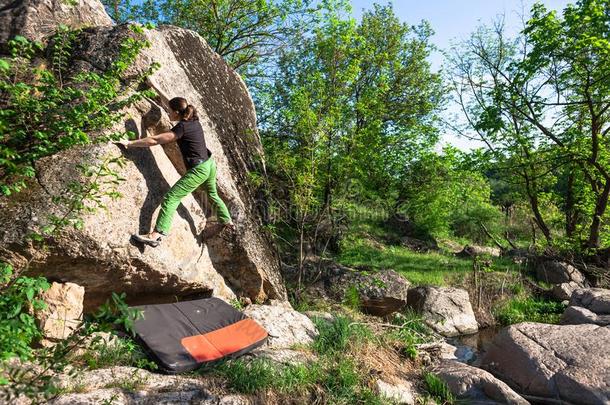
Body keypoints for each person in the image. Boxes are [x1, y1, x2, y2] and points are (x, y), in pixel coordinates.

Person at [116, 97, 234, 247]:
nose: (167, 112)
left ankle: (156, 235)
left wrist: (130, 143)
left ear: (177, 112)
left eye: (169, 111)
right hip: (209, 164)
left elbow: (155, 140)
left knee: (171, 198)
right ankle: (226, 220)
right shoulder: (193, 119)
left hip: (199, 170)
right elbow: (170, 102)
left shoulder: (182, 128)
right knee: (212, 194)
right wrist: (154, 86)